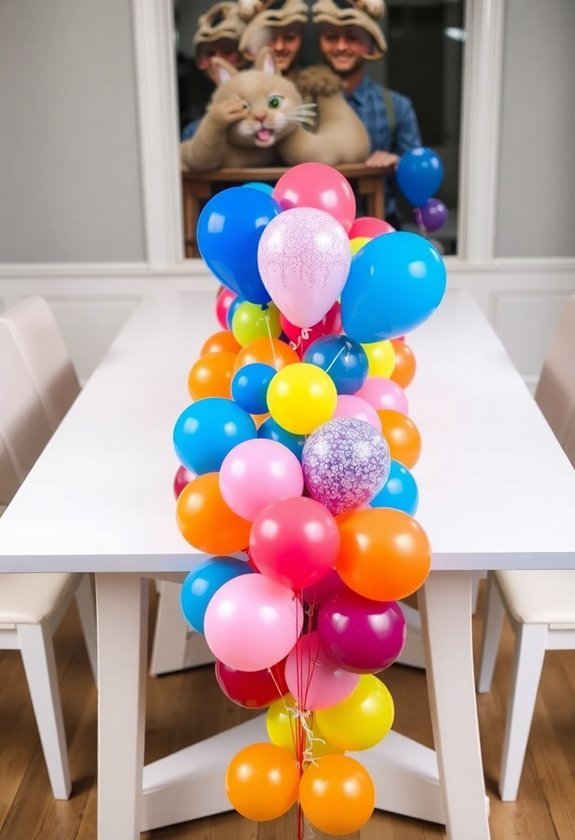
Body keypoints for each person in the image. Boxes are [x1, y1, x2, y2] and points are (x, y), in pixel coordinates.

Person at [312, 0, 422, 227]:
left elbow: (417, 186)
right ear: (320, 42)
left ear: (369, 44)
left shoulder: (397, 107)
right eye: (331, 37)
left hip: (380, 227)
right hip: (318, 231)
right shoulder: (303, 106)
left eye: (352, 37)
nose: (341, 46)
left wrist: (399, 163)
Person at [181, 2, 246, 141]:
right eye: (209, 53)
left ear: (243, 55)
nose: (217, 61)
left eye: (227, 52)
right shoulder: (192, 129)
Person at [238, 0, 309, 81]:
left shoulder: (311, 87)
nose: (279, 47)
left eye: (289, 37)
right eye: (270, 38)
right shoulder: (240, 87)